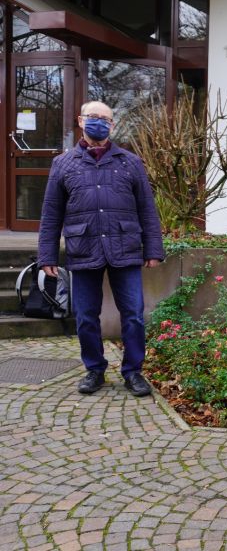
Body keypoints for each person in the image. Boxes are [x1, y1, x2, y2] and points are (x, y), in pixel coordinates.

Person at [38, 101, 165, 397]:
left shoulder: (130, 162)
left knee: (133, 314)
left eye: (105, 119)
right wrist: (47, 255)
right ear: (81, 121)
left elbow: (147, 209)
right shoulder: (63, 164)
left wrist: (153, 249)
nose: (99, 123)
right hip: (83, 249)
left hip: (125, 247)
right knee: (85, 316)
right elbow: (51, 213)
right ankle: (94, 370)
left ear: (112, 125)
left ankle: (133, 371)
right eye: (93, 117)